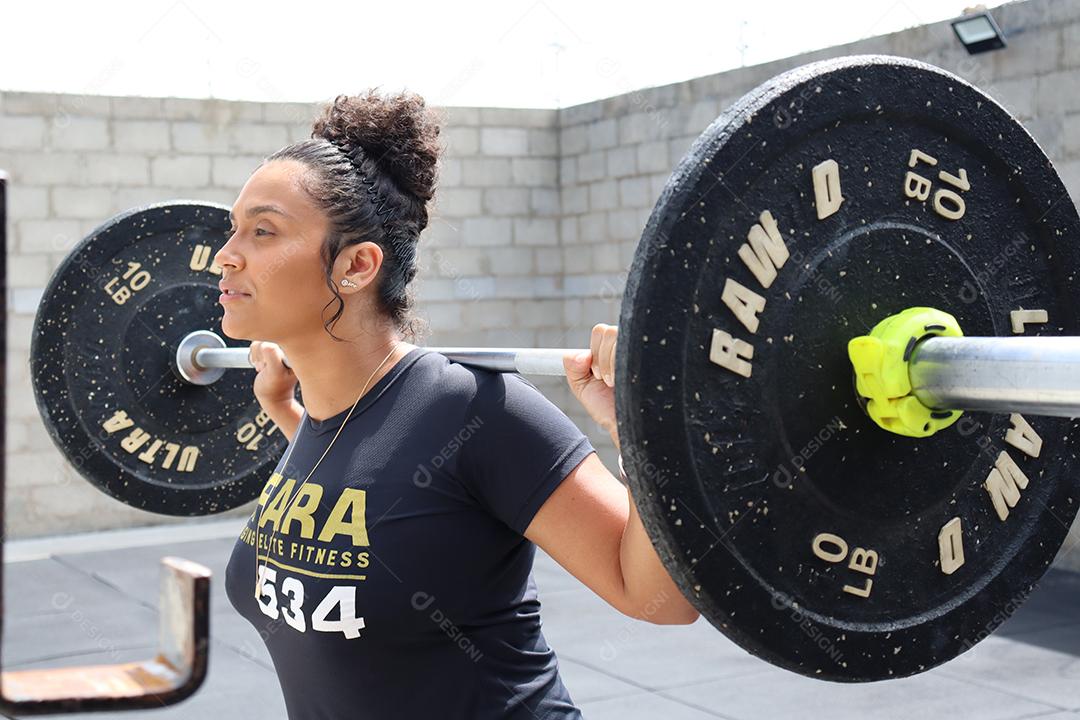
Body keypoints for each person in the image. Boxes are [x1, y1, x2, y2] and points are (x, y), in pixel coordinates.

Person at [220, 88, 699, 720]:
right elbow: (365, 496)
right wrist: (290, 413)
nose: (226, 255)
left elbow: (660, 601)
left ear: (357, 266)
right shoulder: (325, 420)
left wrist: (636, 431)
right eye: (233, 229)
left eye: (262, 230)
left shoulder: (475, 411)